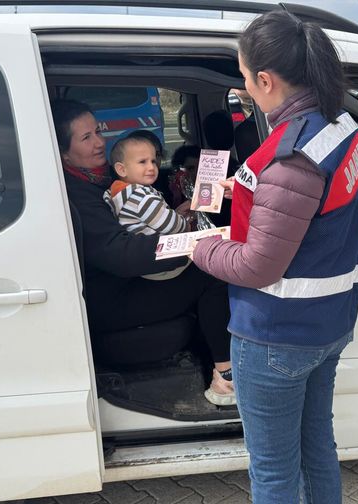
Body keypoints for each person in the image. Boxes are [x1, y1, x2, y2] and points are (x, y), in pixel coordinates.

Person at [191, 10, 358, 503]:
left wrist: (200, 245)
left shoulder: (291, 155)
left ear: (266, 80)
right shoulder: (339, 128)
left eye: (246, 79)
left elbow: (257, 266)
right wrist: (248, 189)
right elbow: (316, 206)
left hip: (276, 335)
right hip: (327, 325)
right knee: (317, 452)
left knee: (273, 472)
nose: (245, 88)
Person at [51, 99, 235, 406]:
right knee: (211, 270)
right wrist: (196, 244)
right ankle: (226, 381)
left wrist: (181, 219)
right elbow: (120, 254)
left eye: (98, 131)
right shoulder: (77, 194)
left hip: (127, 283)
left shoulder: (96, 179)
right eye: (86, 138)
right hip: (113, 299)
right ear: (63, 152)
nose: (100, 142)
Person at [104, 134, 190, 281]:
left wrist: (173, 213)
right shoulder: (140, 196)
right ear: (122, 170)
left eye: (153, 161)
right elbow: (172, 226)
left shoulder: (115, 194)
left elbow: (153, 218)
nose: (151, 167)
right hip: (163, 263)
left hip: (143, 265)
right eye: (142, 162)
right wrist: (185, 222)